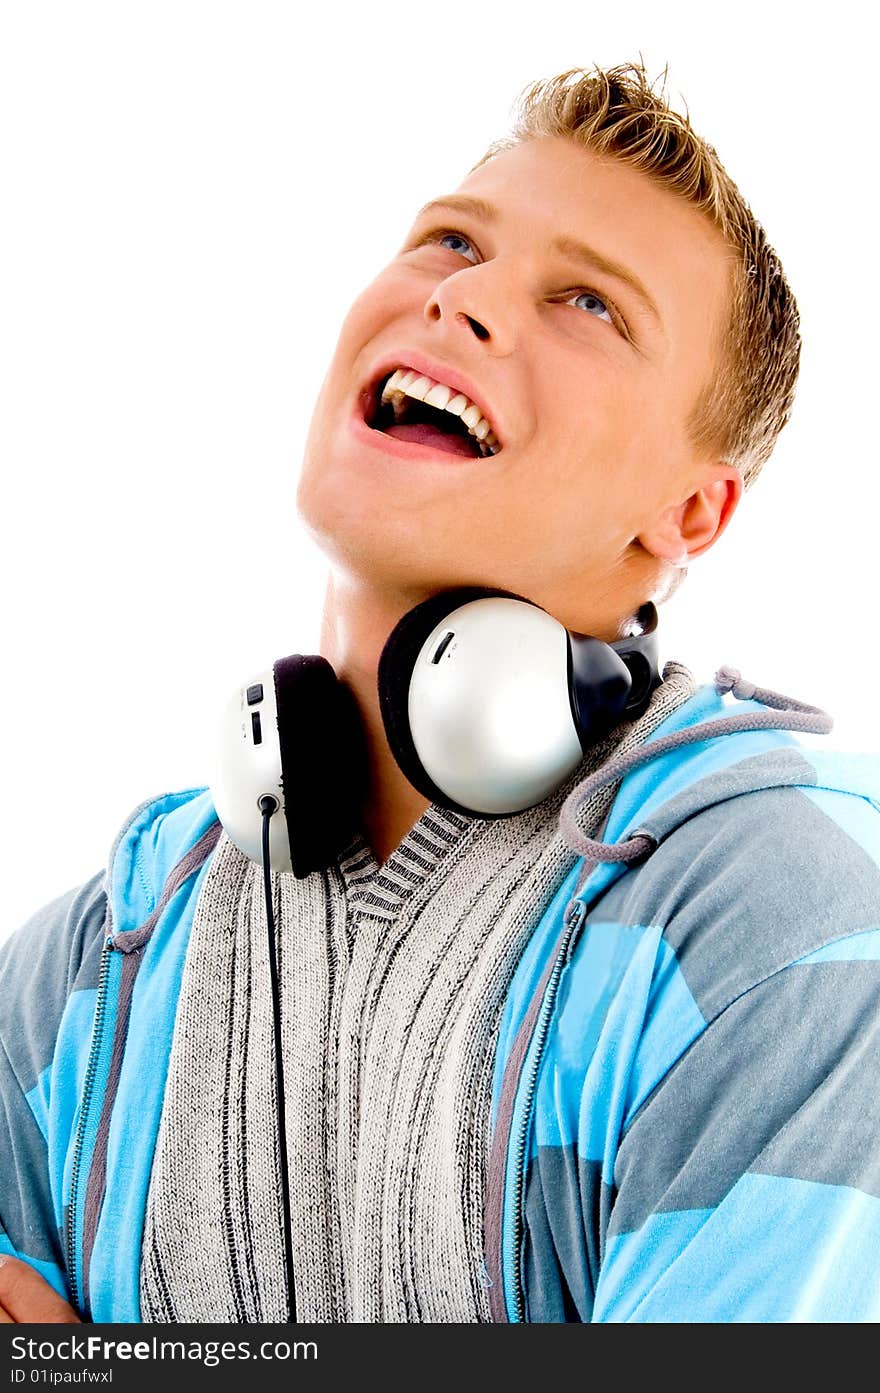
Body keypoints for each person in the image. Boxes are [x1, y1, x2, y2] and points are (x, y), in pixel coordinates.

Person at [2, 60, 879, 1326]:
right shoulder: (91, 973)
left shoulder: (790, 933)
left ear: (691, 511)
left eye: (589, 302)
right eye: (450, 241)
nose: (463, 297)